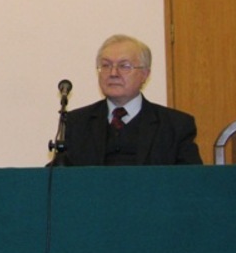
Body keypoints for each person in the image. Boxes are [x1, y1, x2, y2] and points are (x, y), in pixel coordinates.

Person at [51, 34, 202, 166]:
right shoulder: (77, 123)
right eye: (106, 65)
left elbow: (192, 181)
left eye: (124, 66)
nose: (113, 73)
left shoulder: (175, 126)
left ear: (145, 74)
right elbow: (57, 178)